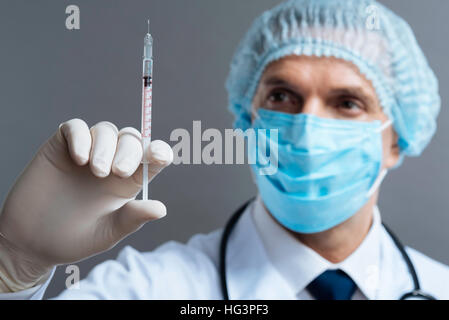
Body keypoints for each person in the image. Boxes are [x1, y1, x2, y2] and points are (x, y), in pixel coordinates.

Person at [0, 0, 448, 300]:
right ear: (247, 117)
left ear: (398, 139)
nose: (308, 129)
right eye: (282, 97)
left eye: (348, 103)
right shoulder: (150, 288)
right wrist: (14, 271)